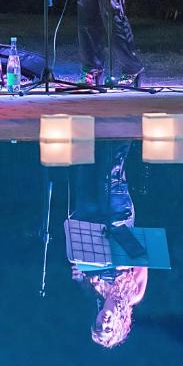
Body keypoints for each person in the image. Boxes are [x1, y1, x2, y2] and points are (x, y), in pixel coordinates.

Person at [68, 140, 149, 348]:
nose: (103, 323)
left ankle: (84, 125)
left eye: (98, 326)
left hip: (90, 217)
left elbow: (82, 252)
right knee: (110, 174)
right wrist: (125, 261)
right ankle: (122, 126)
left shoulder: (96, 287)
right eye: (109, 328)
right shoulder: (134, 295)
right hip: (118, 220)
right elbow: (144, 254)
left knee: (85, 170)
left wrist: (79, 267)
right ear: (121, 324)